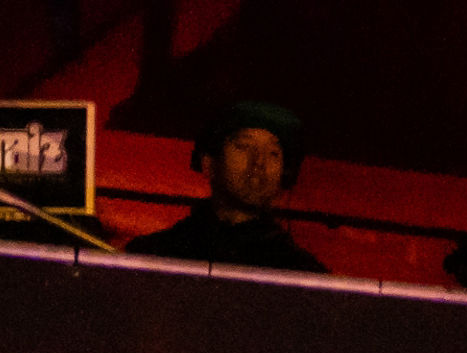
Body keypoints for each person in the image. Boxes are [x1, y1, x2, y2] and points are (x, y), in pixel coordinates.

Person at [126, 102, 327, 272]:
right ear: (209, 164)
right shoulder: (153, 256)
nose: (259, 162)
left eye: (273, 153)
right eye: (244, 147)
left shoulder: (302, 273)